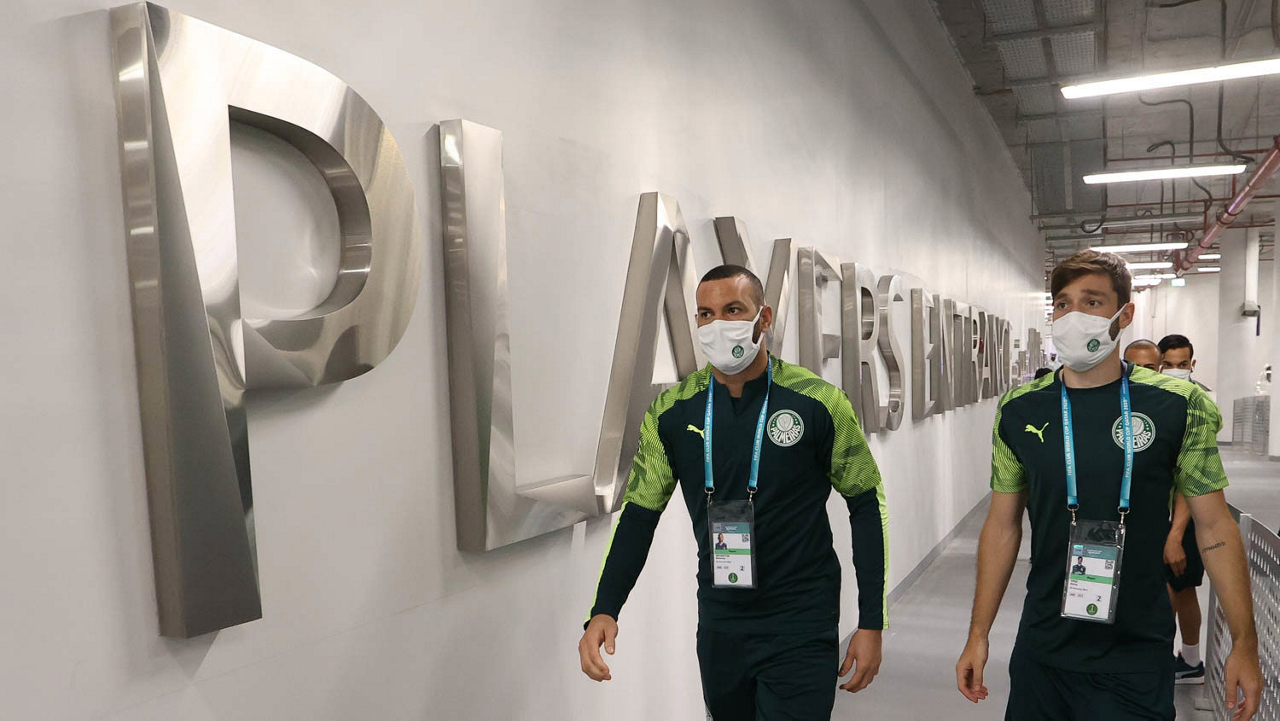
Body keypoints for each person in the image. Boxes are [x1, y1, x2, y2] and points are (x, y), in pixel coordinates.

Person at [955, 250, 1262, 720]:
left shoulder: (1178, 404)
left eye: (1092, 301)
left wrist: (1244, 642)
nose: (1073, 315)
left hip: (1136, 652)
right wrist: (978, 634)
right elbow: (1002, 526)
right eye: (1063, 303)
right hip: (1044, 647)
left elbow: (1215, 526)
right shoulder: (1019, 409)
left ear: (1125, 314)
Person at [578, 264, 889, 719]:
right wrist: (605, 608)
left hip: (801, 619)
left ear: (764, 318)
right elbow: (639, 515)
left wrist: (871, 620)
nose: (718, 324)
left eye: (733, 310)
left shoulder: (819, 402)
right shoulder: (671, 412)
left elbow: (865, 503)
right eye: (706, 314)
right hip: (721, 622)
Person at [1156, 334, 1215, 684]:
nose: (1176, 370)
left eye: (1183, 364)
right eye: (1169, 364)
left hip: (1187, 513)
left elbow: (1192, 474)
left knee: (1178, 587)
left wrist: (1176, 533)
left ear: (1192, 365)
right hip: (1160, 511)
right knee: (1174, 588)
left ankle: (1185, 659)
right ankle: (1183, 659)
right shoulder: (1156, 400)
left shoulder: (1200, 404)